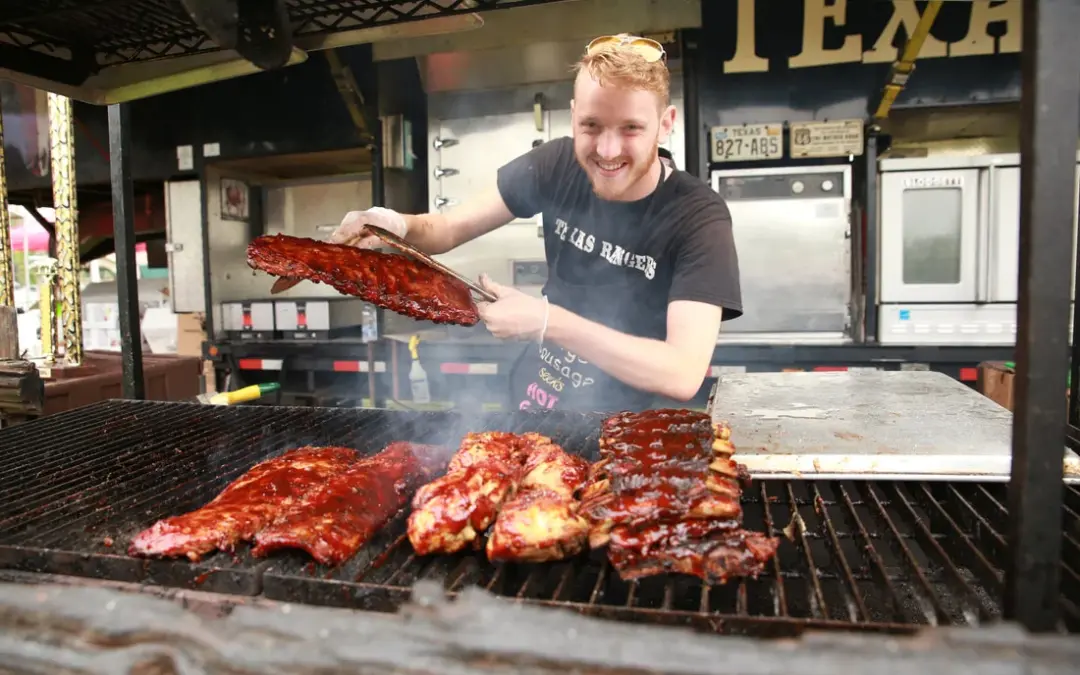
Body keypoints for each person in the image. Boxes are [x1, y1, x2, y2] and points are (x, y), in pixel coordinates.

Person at [331, 33, 742, 412]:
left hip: (635, 428)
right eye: (591, 126)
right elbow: (448, 228)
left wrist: (549, 321)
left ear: (665, 123)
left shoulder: (698, 217)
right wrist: (393, 223)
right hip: (538, 400)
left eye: (631, 128)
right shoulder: (555, 165)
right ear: (573, 116)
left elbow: (681, 372)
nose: (608, 149)